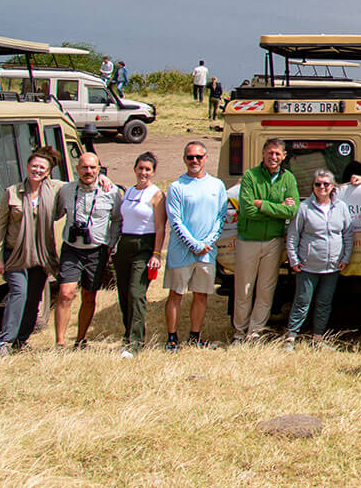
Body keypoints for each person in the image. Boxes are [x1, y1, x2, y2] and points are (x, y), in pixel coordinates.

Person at [0, 149, 67, 358]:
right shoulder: (12, 192)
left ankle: (21, 339)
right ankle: (5, 342)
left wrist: (104, 179)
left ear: (47, 172)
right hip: (14, 254)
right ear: (27, 167)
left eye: (41, 168)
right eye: (34, 166)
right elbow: (0, 227)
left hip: (40, 255)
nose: (37, 170)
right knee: (19, 293)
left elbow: (81, 182)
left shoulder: (55, 189)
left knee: (34, 298)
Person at [231, 138, 299, 344]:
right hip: (248, 240)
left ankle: (255, 332)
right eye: (270, 153)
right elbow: (248, 210)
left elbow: (292, 209)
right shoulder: (250, 176)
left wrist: (262, 204)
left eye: (278, 154)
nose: (273, 157)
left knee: (266, 290)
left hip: (274, 241)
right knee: (244, 289)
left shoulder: (288, 178)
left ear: (284, 156)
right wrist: (277, 208)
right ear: (263, 153)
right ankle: (239, 333)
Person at [163, 141, 228, 352]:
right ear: (184, 159)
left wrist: (207, 243)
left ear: (206, 158)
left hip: (207, 253)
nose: (194, 161)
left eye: (198, 157)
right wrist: (194, 244)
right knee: (176, 294)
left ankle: (195, 336)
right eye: (190, 157)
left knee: (201, 295)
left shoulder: (217, 186)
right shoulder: (176, 187)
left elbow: (221, 217)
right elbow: (175, 220)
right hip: (181, 252)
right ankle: (172, 337)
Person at [54, 150, 121, 350]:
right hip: (71, 248)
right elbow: (56, 212)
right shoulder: (66, 190)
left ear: (99, 169)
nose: (88, 171)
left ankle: (81, 339)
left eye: (93, 167)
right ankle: (60, 342)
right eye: (84, 167)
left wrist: (111, 244)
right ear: (77, 169)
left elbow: (117, 219)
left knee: (89, 295)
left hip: (97, 250)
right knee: (66, 293)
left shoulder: (111, 191)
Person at [283, 170, 352, 350]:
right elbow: (293, 236)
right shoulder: (304, 207)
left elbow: (348, 235)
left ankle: (318, 339)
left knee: (324, 303)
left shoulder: (341, 208)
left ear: (333, 187)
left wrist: (345, 257)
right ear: (313, 187)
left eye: (326, 184)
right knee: (302, 302)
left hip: (332, 267)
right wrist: (293, 259)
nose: (322, 187)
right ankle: (290, 338)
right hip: (308, 266)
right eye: (318, 184)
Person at [113, 152, 168, 356]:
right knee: (124, 293)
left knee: (137, 293)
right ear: (135, 169)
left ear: (153, 172)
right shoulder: (127, 192)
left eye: (148, 169)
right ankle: (127, 334)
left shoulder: (156, 194)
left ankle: (136, 342)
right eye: (140, 168)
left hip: (144, 245)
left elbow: (161, 226)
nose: (143, 172)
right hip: (124, 243)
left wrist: (156, 254)